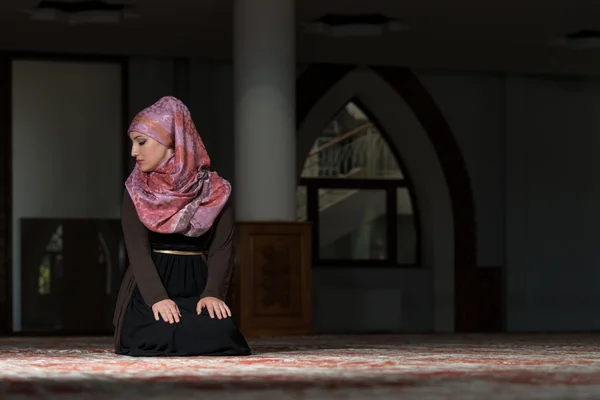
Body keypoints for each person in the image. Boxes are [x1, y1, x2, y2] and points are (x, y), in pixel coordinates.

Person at [112, 96, 251, 357]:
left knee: (222, 335)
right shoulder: (136, 189)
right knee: (159, 336)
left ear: (171, 140)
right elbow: (137, 250)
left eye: (141, 142)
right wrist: (157, 298)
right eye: (132, 143)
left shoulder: (216, 190)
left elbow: (222, 248)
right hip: (150, 286)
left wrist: (213, 293)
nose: (133, 152)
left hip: (198, 284)